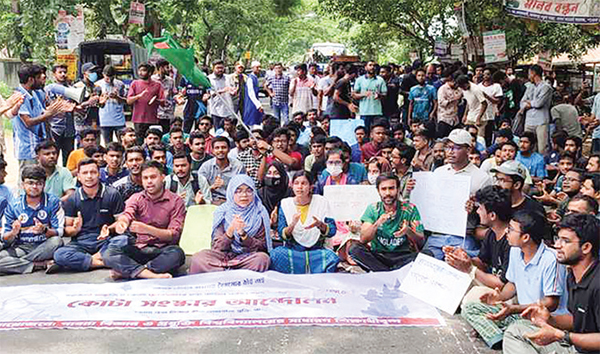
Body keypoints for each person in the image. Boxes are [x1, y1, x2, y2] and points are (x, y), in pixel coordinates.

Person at [461, 210, 567, 349]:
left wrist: (514, 309)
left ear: (525, 237)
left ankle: (507, 336)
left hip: (543, 320)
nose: (506, 232)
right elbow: (513, 283)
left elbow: (551, 303)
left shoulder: (551, 259)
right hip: (520, 314)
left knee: (516, 328)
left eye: (511, 229)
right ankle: (501, 339)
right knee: (471, 308)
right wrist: (498, 297)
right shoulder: (515, 250)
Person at [503, 214, 600, 354]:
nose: (557, 245)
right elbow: (577, 319)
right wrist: (549, 319)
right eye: (557, 238)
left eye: (565, 241)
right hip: (576, 346)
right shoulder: (573, 276)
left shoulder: (597, 283)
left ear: (586, 247)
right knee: (516, 331)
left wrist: (562, 335)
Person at [102, 160, 186, 279]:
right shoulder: (136, 198)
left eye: (153, 177)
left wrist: (147, 229)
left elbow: (173, 235)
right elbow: (128, 213)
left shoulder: (176, 201)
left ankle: (130, 271)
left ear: (163, 177)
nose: (149, 182)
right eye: (145, 178)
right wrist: (123, 222)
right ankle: (149, 274)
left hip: (162, 249)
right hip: (139, 248)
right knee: (109, 253)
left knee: (177, 254)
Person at [424, 129, 492, 259]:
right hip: (437, 234)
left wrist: (474, 208)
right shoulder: (439, 172)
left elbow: (488, 215)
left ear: (468, 149)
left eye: (456, 148)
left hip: (464, 237)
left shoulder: (482, 178)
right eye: (448, 147)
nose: (450, 152)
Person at [50, 159, 124, 273]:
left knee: (123, 240)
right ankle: (103, 262)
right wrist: (75, 229)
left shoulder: (112, 194)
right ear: (78, 177)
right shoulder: (72, 199)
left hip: (105, 240)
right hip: (81, 242)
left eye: (93, 172)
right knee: (59, 254)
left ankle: (85, 262)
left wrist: (109, 229)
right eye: (85, 173)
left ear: (99, 174)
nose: (89, 176)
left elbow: (121, 222)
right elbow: (67, 230)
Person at [444, 186, 512, 305]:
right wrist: (463, 259)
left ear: (492, 215)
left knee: (470, 300)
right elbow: (482, 262)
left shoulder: (511, 241)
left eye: (480, 208)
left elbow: (501, 284)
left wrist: (469, 268)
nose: (477, 211)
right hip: (492, 282)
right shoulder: (492, 232)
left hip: (506, 294)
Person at [189, 175, 271, 273]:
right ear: (231, 192)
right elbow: (217, 247)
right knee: (198, 258)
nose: (244, 195)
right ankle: (237, 275)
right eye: (238, 191)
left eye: (249, 191)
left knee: (262, 259)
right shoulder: (222, 212)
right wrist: (230, 230)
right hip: (223, 257)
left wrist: (244, 235)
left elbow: (262, 247)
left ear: (254, 193)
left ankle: (223, 275)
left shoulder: (259, 213)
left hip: (247, 258)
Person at [349, 174, 424, 272]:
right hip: (379, 256)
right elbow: (363, 240)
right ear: (378, 191)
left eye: (391, 188)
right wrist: (377, 223)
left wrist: (408, 231)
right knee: (354, 249)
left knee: (428, 254)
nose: (388, 193)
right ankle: (389, 273)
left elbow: (421, 241)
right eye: (383, 189)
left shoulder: (410, 209)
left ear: (398, 189)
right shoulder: (373, 209)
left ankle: (384, 273)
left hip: (403, 257)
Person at [0, 165, 64, 274]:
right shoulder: (14, 206)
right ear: (22, 184)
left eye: (39, 183)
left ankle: (18, 264)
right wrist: (13, 232)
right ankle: (40, 264)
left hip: (45, 245)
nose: (34, 187)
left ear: (44, 184)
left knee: (57, 241)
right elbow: (5, 237)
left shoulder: (53, 202)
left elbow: (60, 231)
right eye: (30, 183)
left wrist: (45, 230)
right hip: (21, 247)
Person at [271, 172, 338, 273]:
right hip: (294, 251)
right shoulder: (286, 204)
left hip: (316, 251)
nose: (299, 187)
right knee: (276, 254)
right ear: (292, 186)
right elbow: (282, 234)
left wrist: (320, 225)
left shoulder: (321, 202)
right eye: (296, 183)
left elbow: (332, 230)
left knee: (332, 257)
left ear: (311, 186)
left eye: (304, 183)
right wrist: (292, 225)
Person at [15, 64, 72, 175]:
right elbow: (28, 122)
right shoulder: (20, 96)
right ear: (31, 80)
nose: (42, 79)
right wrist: (49, 114)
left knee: (40, 177)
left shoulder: (34, 94)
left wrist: (56, 110)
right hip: (27, 148)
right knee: (28, 179)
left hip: (38, 145)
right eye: (38, 77)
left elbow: (44, 114)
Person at [198, 136, 246, 204]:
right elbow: (199, 191)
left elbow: (243, 189)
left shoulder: (238, 166)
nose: (220, 150)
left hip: (233, 202)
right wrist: (212, 187)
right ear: (212, 150)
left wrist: (227, 185)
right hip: (211, 202)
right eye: (217, 148)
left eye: (224, 147)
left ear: (229, 149)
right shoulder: (206, 167)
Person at [127, 63, 166, 145]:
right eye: (139, 70)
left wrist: (156, 100)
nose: (140, 73)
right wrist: (139, 96)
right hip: (138, 120)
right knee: (139, 143)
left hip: (152, 119)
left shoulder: (157, 85)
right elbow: (129, 101)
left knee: (154, 143)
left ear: (150, 73)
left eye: (143, 70)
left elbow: (163, 102)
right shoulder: (135, 83)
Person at [45, 63, 75, 166]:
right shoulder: (49, 89)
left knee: (69, 158)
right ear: (54, 74)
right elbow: (48, 105)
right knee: (53, 157)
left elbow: (76, 104)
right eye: (60, 72)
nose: (63, 74)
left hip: (69, 129)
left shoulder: (72, 88)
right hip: (55, 128)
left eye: (65, 72)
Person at [521, 65, 553, 153]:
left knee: (542, 147)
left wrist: (529, 103)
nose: (528, 77)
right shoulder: (529, 87)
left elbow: (539, 103)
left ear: (533, 73)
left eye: (529, 74)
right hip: (529, 121)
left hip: (541, 121)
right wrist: (529, 104)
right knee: (527, 145)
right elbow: (522, 102)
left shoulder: (546, 87)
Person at [352, 61, 387, 134]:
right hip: (364, 112)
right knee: (366, 133)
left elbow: (385, 95)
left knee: (377, 132)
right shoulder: (359, 80)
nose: (372, 67)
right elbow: (354, 95)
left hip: (377, 112)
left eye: (374, 65)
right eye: (370, 65)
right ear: (366, 67)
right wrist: (363, 94)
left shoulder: (380, 80)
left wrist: (379, 95)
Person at [96, 65, 126, 144]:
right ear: (103, 74)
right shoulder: (97, 85)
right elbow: (96, 104)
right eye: (107, 77)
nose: (109, 80)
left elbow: (126, 101)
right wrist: (101, 101)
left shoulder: (120, 84)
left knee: (122, 143)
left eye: (111, 77)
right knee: (108, 145)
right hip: (104, 120)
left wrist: (117, 97)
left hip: (119, 120)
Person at [73, 62, 101, 137]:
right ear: (84, 73)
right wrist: (88, 102)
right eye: (91, 72)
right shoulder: (77, 87)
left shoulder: (97, 87)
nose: (94, 74)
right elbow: (73, 106)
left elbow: (99, 105)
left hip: (94, 121)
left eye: (95, 72)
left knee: (95, 145)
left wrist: (102, 102)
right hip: (81, 122)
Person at [457, 75, 488, 139]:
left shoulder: (476, 89)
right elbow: (468, 102)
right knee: (466, 136)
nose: (463, 89)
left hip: (480, 117)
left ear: (467, 83)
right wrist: (465, 115)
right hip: (471, 115)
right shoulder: (464, 90)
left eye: (463, 87)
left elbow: (484, 104)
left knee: (479, 138)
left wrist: (478, 118)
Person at [478, 68, 504, 146]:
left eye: (488, 74)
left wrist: (487, 96)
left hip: (492, 114)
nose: (486, 76)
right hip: (481, 115)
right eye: (484, 74)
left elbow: (498, 101)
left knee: (489, 135)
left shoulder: (496, 86)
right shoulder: (479, 86)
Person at [151, 59, 177, 134]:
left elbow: (174, 94)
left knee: (166, 135)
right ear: (160, 68)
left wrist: (178, 97)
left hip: (167, 113)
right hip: (155, 113)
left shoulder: (170, 81)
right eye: (167, 67)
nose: (169, 69)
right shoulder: (152, 80)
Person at [437, 69, 462, 138]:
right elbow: (441, 103)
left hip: (455, 118)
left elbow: (460, 103)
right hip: (444, 118)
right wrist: (453, 99)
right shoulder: (442, 89)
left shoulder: (458, 89)